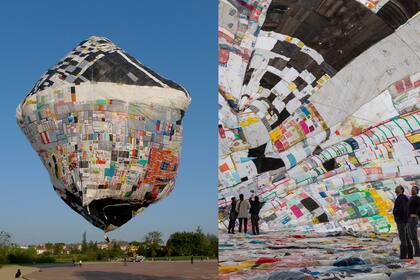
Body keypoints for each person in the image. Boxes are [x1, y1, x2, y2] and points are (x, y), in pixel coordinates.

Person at [393, 185, 413, 259]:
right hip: (404, 220)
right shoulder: (403, 198)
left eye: (397, 188)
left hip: (401, 221)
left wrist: (395, 213)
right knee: (406, 237)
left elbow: (403, 209)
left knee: (403, 238)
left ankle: (403, 256)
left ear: (401, 190)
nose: (395, 189)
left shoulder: (401, 198)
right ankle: (410, 255)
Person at [408, 185, 420, 257]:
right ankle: (416, 252)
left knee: (414, 236)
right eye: (412, 189)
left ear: (417, 191)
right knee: (411, 236)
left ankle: (418, 253)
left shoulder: (417, 198)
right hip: (409, 218)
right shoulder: (411, 198)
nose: (412, 190)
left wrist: (416, 214)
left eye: (414, 189)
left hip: (413, 218)